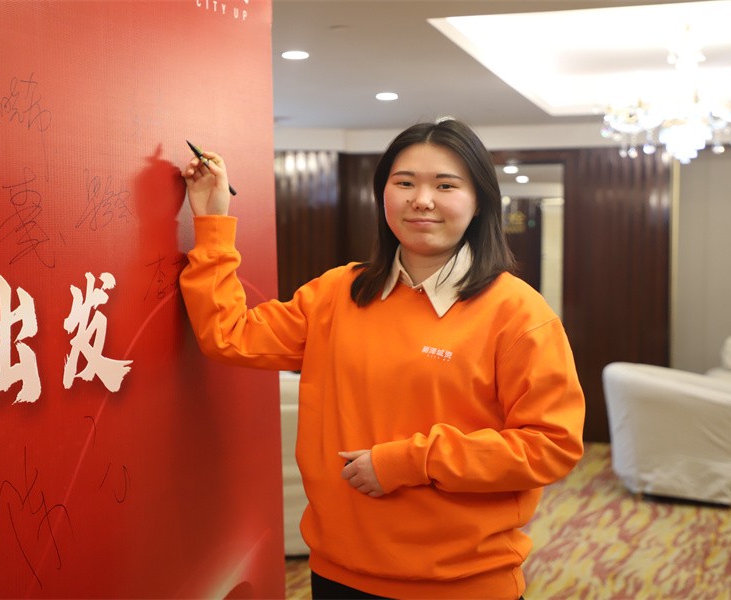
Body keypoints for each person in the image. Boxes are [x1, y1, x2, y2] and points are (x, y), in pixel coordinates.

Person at [178, 119, 585, 599]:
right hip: (338, 572)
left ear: (479, 203)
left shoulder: (517, 312)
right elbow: (228, 336)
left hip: (462, 583)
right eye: (405, 183)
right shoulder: (338, 292)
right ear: (383, 195)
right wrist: (213, 223)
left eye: (446, 185)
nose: (422, 200)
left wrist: (411, 462)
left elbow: (551, 445)